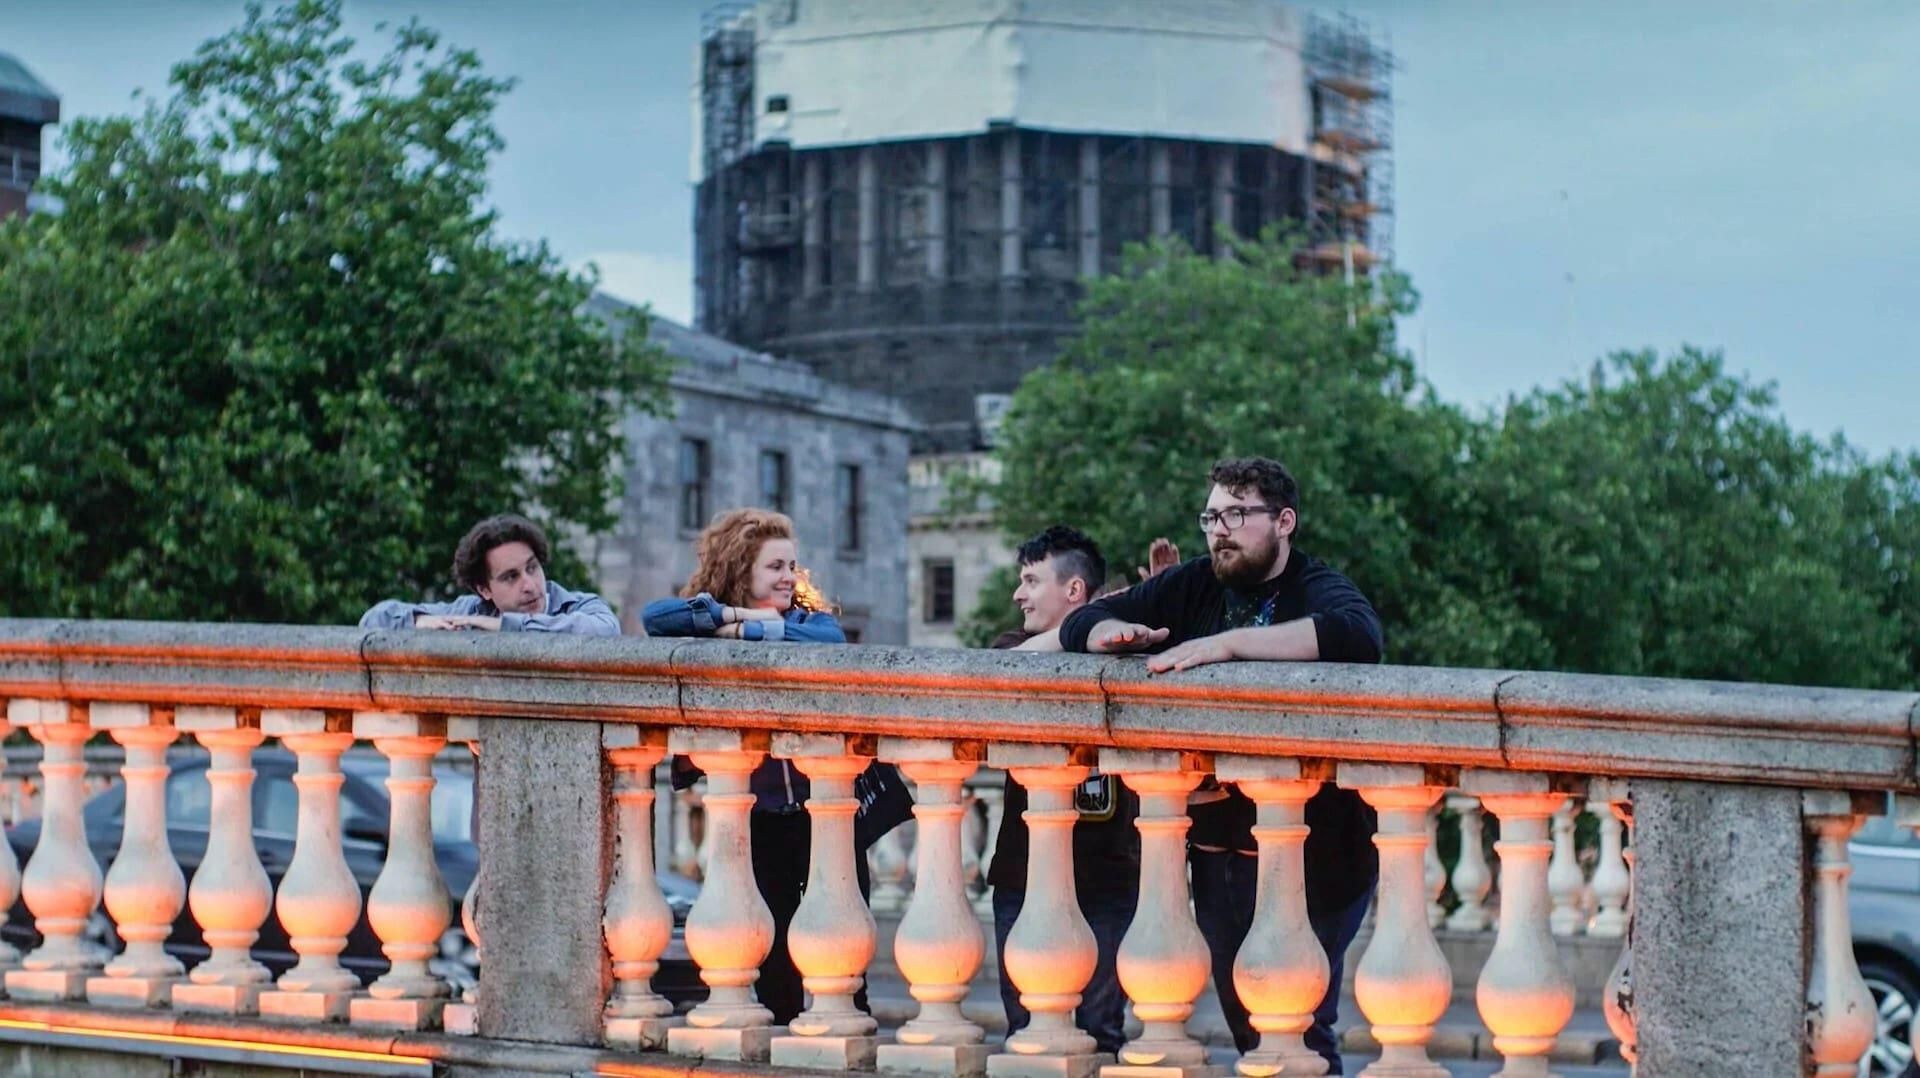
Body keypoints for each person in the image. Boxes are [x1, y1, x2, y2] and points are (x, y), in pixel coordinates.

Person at [1059, 457, 1383, 1074]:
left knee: (1298, 1021)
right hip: (1220, 854)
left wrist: (1227, 646)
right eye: (1211, 517)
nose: (1219, 531)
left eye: (1237, 514)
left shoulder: (1314, 584)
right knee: (1248, 1022)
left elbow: (1357, 635)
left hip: (1319, 854)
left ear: (1283, 522)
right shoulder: (1195, 582)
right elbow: (1083, 621)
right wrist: (1112, 634)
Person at [641, 507, 912, 1026]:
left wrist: (752, 628)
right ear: (740, 570)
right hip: (758, 817)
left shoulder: (809, 622)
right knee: (773, 958)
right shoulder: (712, 617)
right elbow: (657, 619)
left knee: (843, 953)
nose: (789, 576)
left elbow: (830, 643)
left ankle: (847, 1043)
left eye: (792, 565)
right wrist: (733, 616)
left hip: (827, 812)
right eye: (775, 567)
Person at [984, 526, 1140, 1055]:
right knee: (1025, 1034)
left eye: (1031, 580)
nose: (1018, 594)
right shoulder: (1012, 645)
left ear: (1073, 589)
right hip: (1022, 873)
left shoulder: (1127, 651)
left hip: (1109, 875)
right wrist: (1093, 624)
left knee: (1100, 1033)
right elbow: (1006, 672)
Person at [360, 513, 620, 636]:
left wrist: (505, 626)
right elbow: (375, 619)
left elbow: (606, 631)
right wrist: (420, 622)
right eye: (511, 577)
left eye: (532, 568)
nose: (529, 585)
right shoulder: (471, 613)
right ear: (484, 589)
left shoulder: (579, 606)